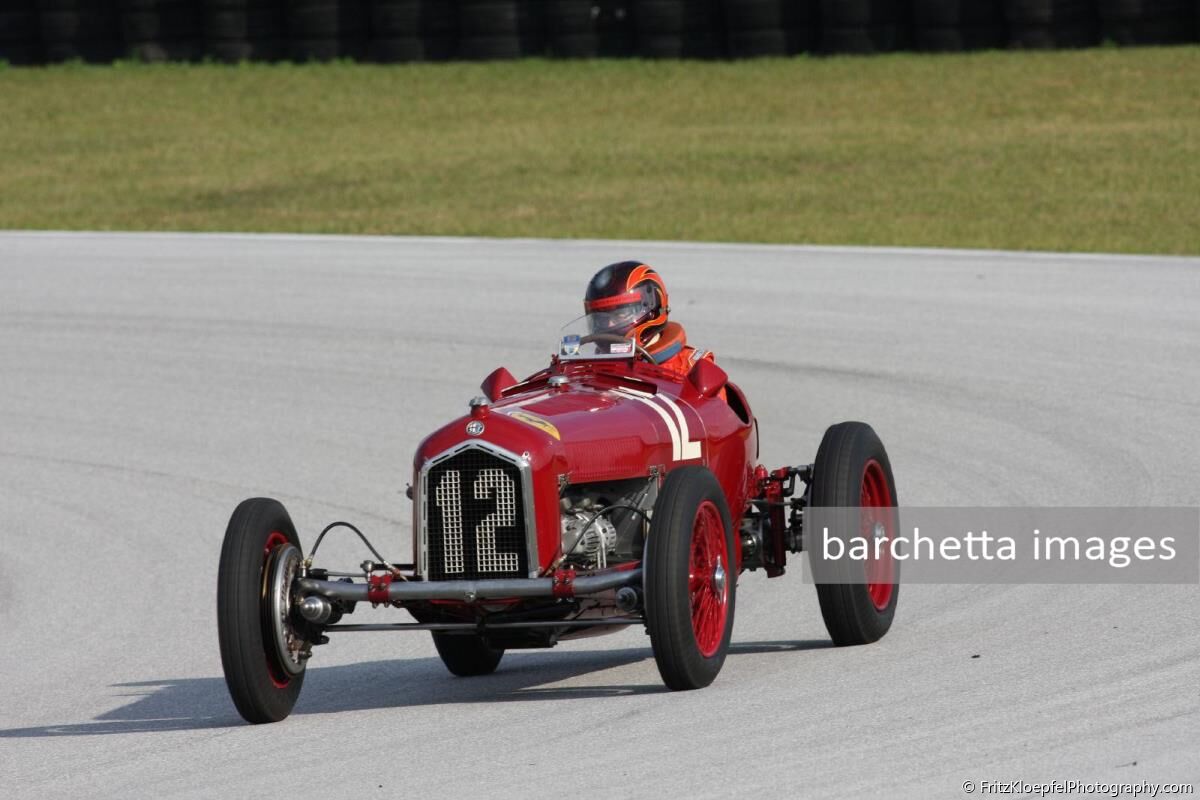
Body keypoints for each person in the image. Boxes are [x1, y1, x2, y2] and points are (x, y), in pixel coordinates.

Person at [583, 261, 716, 379]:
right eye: (601, 318)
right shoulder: (586, 370)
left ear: (652, 309)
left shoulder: (692, 371)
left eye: (620, 315)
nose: (609, 325)